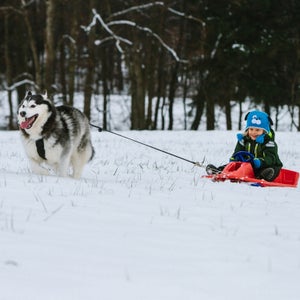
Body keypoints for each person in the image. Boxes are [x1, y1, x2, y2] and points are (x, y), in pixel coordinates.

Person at [206, 110, 283, 181]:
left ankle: (263, 176)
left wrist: (260, 162)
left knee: (270, 170)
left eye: (257, 130)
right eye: (251, 129)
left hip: (264, 165)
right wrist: (234, 159)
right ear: (247, 129)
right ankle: (217, 171)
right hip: (247, 165)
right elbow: (238, 151)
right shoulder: (244, 140)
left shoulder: (269, 143)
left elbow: (271, 158)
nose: (254, 132)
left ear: (264, 131)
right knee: (232, 165)